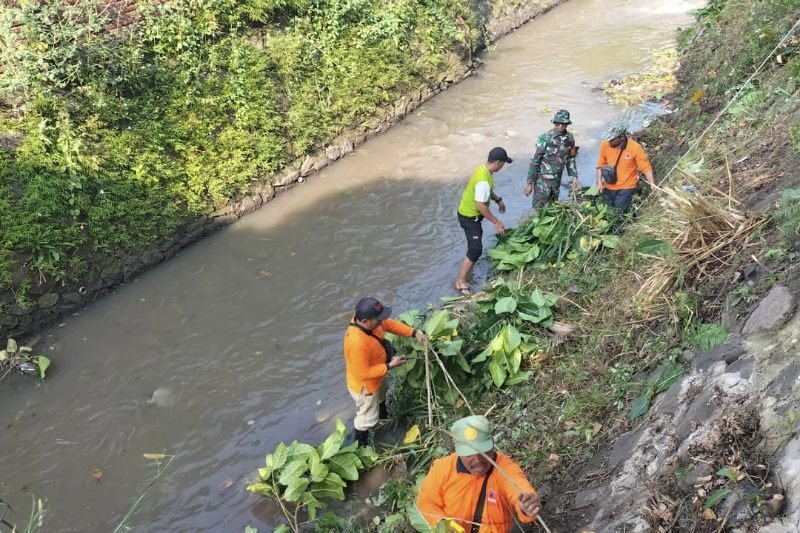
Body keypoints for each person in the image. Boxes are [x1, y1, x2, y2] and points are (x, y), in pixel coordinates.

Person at [416, 415, 541, 532]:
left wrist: (527, 505)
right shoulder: (442, 469)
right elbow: (426, 503)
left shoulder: (505, 469)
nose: (478, 460)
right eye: (469, 454)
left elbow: (518, 487)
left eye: (483, 451)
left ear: (492, 445)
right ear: (458, 451)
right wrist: (443, 523)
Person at [343, 297, 428, 446]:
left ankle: (383, 419)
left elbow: (389, 324)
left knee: (381, 398)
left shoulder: (372, 323)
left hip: (378, 376)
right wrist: (390, 366)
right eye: (378, 319)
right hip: (365, 387)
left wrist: (414, 333)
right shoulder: (357, 343)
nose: (382, 321)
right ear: (364, 321)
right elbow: (362, 374)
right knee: (366, 418)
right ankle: (360, 445)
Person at [456, 147, 512, 296]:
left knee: (475, 243)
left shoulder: (483, 169)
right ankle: (461, 281)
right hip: (469, 216)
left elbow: (486, 193)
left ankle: (468, 269)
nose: (503, 166)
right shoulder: (483, 181)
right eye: (503, 163)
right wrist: (496, 222)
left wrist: (498, 199)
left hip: (468, 213)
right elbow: (479, 205)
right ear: (498, 163)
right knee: (475, 250)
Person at [523, 109, 580, 209]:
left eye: (563, 124)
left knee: (553, 209)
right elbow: (535, 160)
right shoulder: (545, 138)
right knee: (539, 210)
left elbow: (571, 158)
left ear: (567, 124)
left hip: (556, 182)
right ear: (554, 123)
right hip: (542, 182)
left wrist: (574, 177)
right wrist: (529, 183)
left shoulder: (570, 139)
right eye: (558, 124)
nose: (560, 126)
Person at [596, 125, 656, 214]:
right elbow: (600, 165)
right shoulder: (605, 145)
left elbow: (645, 167)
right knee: (607, 212)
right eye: (609, 140)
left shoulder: (635, 148)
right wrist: (600, 183)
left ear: (621, 137)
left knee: (619, 212)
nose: (609, 142)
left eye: (612, 140)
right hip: (609, 186)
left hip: (627, 187)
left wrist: (652, 184)